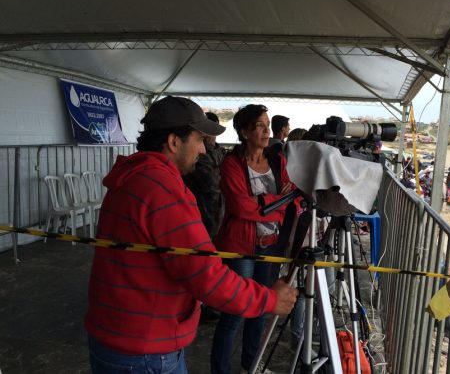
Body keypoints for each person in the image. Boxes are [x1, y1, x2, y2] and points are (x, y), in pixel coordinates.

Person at [84, 97, 297, 374]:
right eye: (199, 139)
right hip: (145, 351)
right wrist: (269, 299)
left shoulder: (133, 176)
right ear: (174, 142)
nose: (203, 148)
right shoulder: (163, 190)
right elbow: (206, 276)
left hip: (117, 337)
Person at [211, 104, 294, 374]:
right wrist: (275, 201)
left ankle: (251, 364)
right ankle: (220, 370)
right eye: (259, 125)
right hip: (241, 248)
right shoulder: (232, 164)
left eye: (268, 124)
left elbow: (289, 197)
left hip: (270, 245)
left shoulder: (277, 161)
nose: (267, 130)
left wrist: (263, 203)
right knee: (235, 312)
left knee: (260, 309)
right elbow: (239, 207)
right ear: (244, 131)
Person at [183, 111, 226, 240]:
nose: (210, 135)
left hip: (219, 216)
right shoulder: (199, 155)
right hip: (205, 215)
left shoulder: (220, 151)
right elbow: (212, 184)